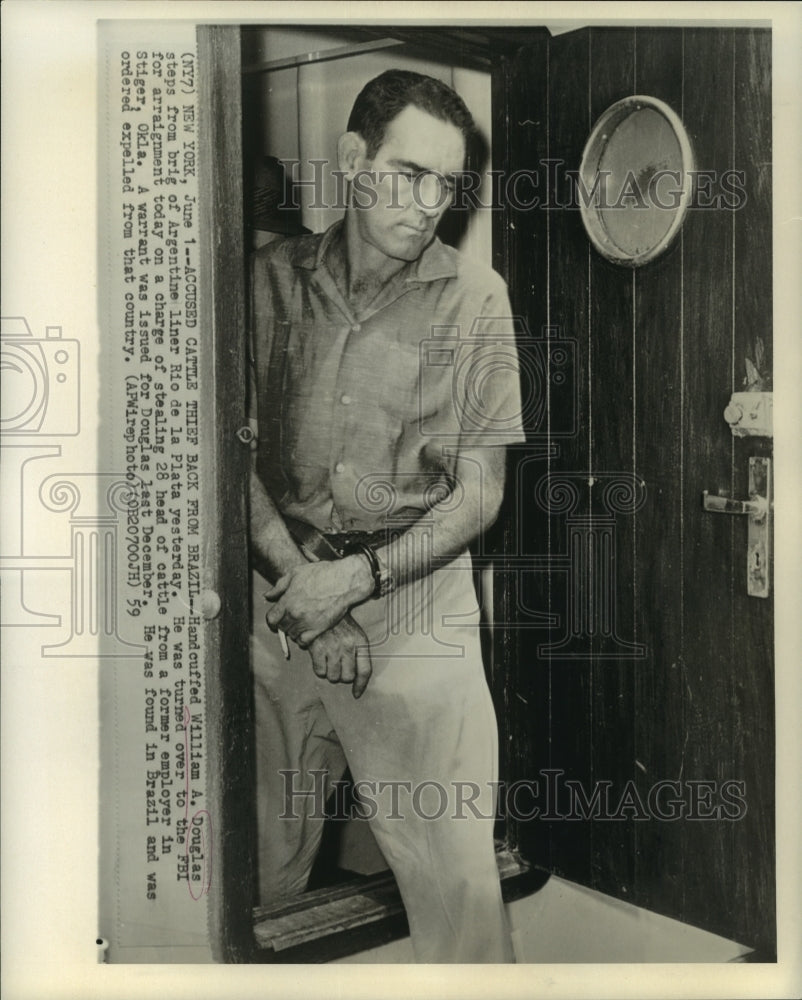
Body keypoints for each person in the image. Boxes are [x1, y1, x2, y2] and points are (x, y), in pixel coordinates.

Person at [248, 69, 525, 963]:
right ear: (353, 160)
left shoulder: (476, 298)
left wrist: (355, 581)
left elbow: (481, 490)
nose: (429, 205)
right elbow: (226, 451)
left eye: (448, 184)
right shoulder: (266, 281)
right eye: (409, 174)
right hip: (281, 592)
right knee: (260, 878)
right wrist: (304, 582)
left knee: (458, 887)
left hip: (415, 602)